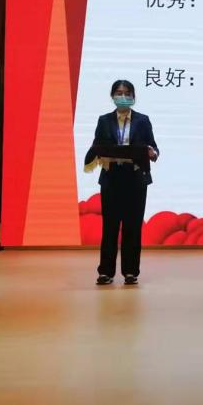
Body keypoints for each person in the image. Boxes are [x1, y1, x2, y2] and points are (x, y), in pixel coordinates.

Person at [84, 79, 159, 285]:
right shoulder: (104, 120)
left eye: (127, 93)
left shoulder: (142, 120)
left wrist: (152, 153)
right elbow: (96, 144)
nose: (123, 96)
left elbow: (153, 147)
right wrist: (97, 153)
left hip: (135, 179)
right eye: (119, 93)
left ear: (133, 97)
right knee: (110, 226)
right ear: (112, 96)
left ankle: (130, 272)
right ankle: (105, 272)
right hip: (112, 178)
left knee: (132, 227)